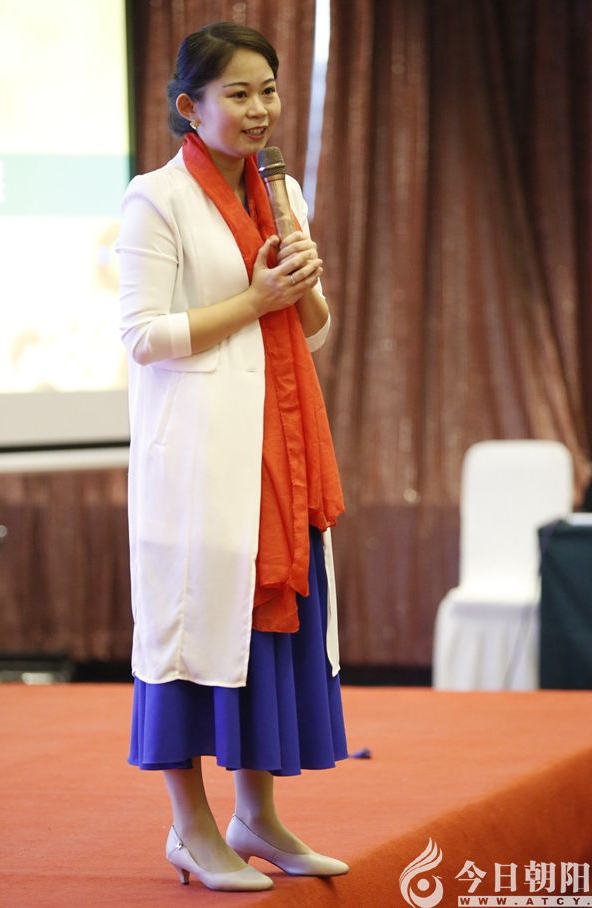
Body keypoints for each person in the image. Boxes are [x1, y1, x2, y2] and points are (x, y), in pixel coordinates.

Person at [117, 21, 349, 893]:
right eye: (239, 93)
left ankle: (258, 818)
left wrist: (301, 286)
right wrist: (256, 298)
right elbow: (143, 337)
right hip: (201, 461)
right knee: (189, 637)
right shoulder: (156, 199)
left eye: (269, 90)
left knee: (268, 633)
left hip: (279, 455)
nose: (260, 109)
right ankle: (190, 829)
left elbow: (310, 330)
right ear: (190, 106)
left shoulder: (281, 193)